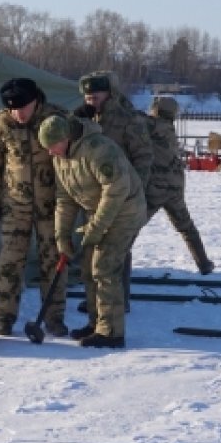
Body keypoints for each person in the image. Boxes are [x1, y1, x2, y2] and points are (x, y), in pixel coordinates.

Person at [40, 114, 147, 349]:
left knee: (104, 267)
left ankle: (112, 332)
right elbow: (65, 199)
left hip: (125, 211)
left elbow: (117, 190)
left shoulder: (99, 150)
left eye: (52, 146)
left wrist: (97, 227)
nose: (50, 153)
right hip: (99, 212)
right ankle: (97, 323)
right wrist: (62, 236)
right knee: (88, 268)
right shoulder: (62, 157)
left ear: (66, 138)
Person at [0, 78, 68, 336]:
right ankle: (4, 317)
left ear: (36, 101)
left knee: (53, 261)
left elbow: (73, 160)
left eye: (23, 107)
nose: (18, 114)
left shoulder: (56, 119)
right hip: (15, 205)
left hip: (51, 205)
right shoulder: (0, 122)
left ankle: (54, 318)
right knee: (10, 262)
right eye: (12, 109)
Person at [75, 71, 152, 312]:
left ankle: (119, 300)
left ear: (110, 94)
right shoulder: (85, 119)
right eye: (88, 98)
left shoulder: (128, 120)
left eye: (96, 98)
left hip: (122, 195)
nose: (91, 102)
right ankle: (96, 300)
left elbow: (143, 157)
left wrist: (133, 192)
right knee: (93, 249)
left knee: (118, 251)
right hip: (94, 195)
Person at [146, 97, 214, 274]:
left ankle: (117, 263)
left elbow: (134, 120)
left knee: (128, 227)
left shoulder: (155, 125)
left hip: (157, 187)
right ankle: (204, 264)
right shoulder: (168, 128)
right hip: (174, 186)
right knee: (186, 227)